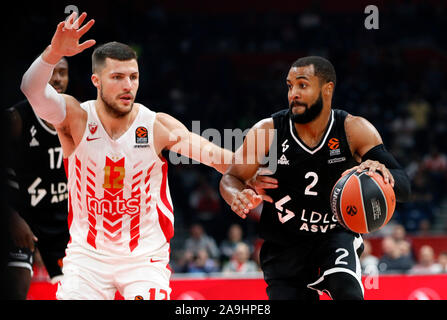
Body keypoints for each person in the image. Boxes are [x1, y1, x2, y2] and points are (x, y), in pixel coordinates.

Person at [20, 12, 275, 300]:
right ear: (96, 80)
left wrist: (251, 175)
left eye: (133, 77)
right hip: (87, 258)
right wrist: (54, 53)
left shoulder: (156, 125)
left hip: (144, 258)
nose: (128, 85)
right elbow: (32, 89)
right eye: (117, 77)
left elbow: (215, 156)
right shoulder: (75, 117)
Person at [219, 56, 411, 300]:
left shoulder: (354, 129)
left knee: (347, 289)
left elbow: (404, 185)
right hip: (284, 243)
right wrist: (236, 194)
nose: (293, 94)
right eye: (289, 86)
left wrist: (379, 173)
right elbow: (231, 177)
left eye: (302, 85)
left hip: (335, 235)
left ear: (327, 89)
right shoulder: (268, 131)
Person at [4, 57, 70, 299]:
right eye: (53, 72)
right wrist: (12, 218)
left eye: (63, 72)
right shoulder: (16, 118)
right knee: (17, 287)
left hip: (61, 224)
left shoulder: (76, 115)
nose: (58, 78)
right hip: (22, 220)